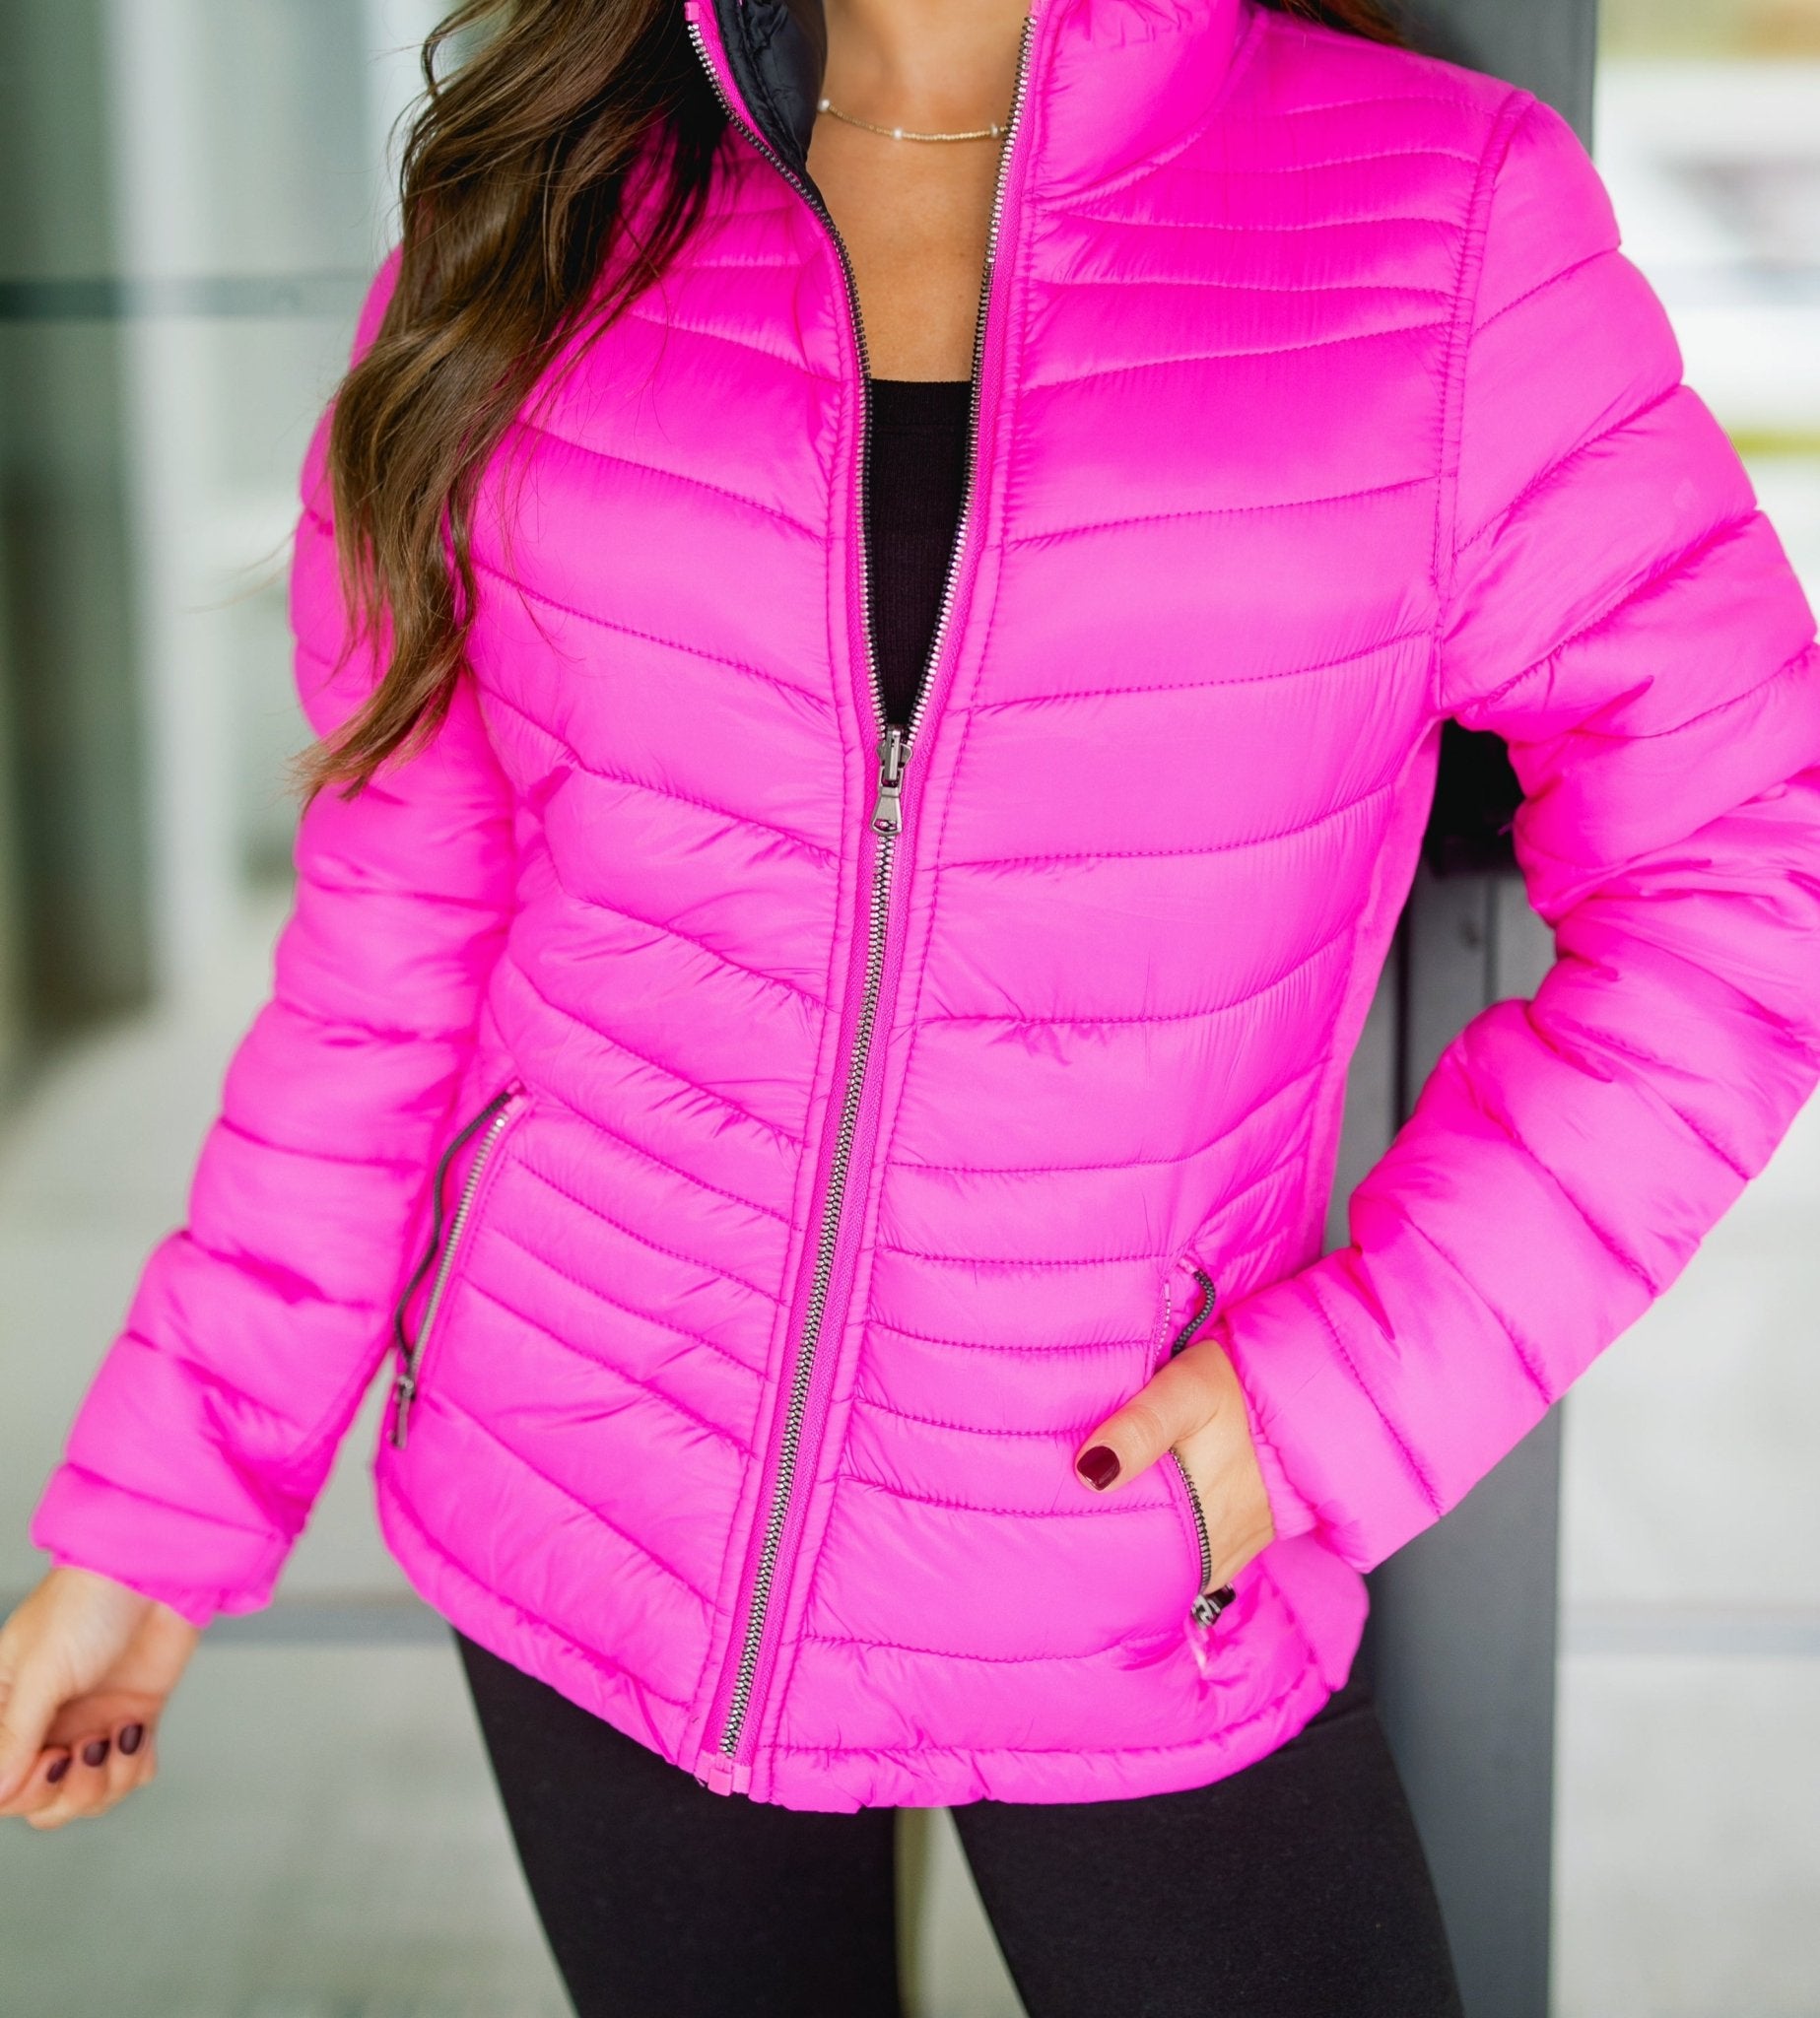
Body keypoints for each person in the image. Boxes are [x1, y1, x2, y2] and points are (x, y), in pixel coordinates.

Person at [4, 0, 1818, 2011]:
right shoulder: (540, 201)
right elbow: (392, 950)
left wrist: (1336, 1406)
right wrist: (164, 1507)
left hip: (1127, 1552)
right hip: (585, 1502)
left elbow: (1752, 871)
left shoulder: (1445, 217)